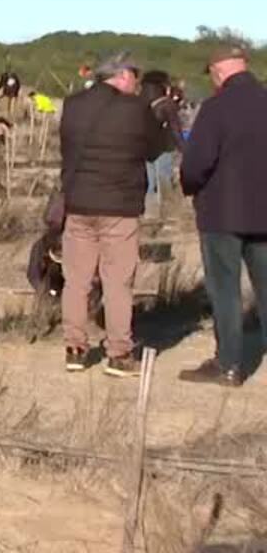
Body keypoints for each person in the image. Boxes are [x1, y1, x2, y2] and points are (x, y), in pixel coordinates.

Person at [57, 54, 167, 377]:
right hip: (120, 206)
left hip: (79, 203)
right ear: (121, 75)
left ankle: (74, 348)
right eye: (135, 76)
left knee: (76, 280)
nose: (137, 83)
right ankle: (119, 353)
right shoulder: (135, 109)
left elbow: (66, 148)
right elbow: (155, 149)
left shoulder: (73, 104)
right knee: (118, 281)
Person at [178, 44, 267, 387]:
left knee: (225, 291)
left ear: (217, 71)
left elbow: (197, 163)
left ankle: (229, 364)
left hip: (222, 213)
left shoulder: (216, 108)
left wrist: (190, 186)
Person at [140, 69, 185, 208]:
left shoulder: (138, 102)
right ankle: (165, 209)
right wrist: (184, 149)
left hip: (144, 147)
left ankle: (148, 209)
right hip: (164, 147)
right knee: (164, 179)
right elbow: (175, 129)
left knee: (149, 182)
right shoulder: (167, 104)